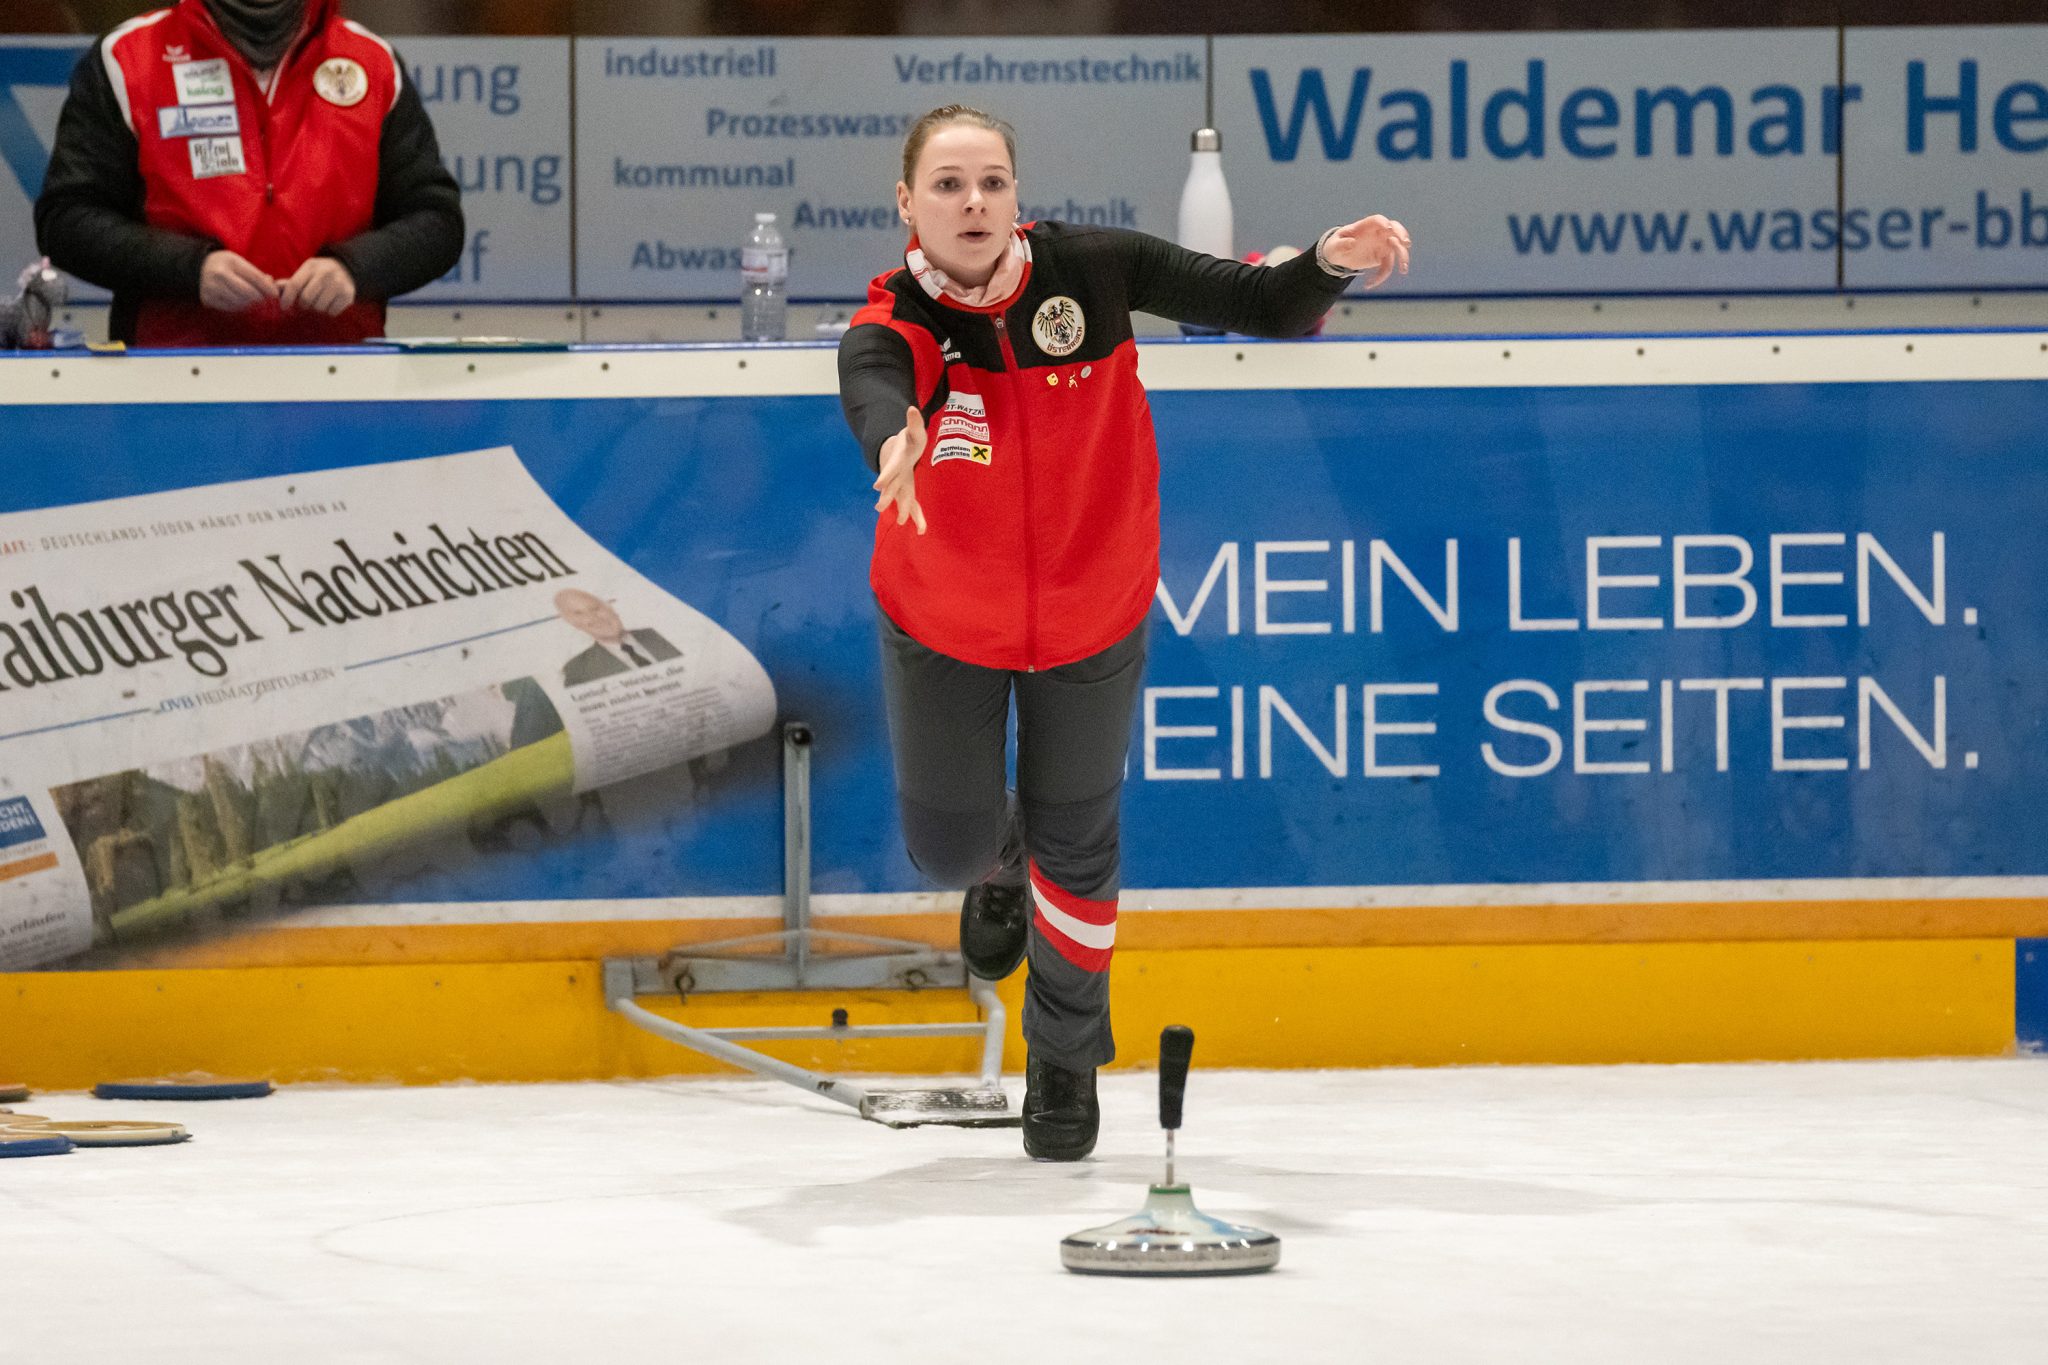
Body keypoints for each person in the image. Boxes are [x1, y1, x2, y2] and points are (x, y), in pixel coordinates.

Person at [836, 105, 1410, 1160]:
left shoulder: (1091, 271)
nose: (974, 203)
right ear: (907, 204)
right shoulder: (897, 316)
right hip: (943, 620)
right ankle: (994, 861)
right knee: (944, 848)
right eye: (950, 184)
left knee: (1081, 842)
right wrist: (894, 431)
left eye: (993, 182)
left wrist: (1325, 262)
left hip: (1093, 611)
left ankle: (1062, 1062)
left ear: (1017, 196)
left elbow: (1254, 301)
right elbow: (875, 378)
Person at [33, 0, 462, 347]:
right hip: (172, 384)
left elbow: (436, 221)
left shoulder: (372, 62)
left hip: (340, 383)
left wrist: (353, 270)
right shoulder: (128, 58)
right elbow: (67, 220)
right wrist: (190, 270)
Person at [555, 588, 680, 686]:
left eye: (595, 608)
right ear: (574, 624)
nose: (594, 617)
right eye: (579, 614)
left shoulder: (659, 633)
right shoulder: (577, 670)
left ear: (610, 608)